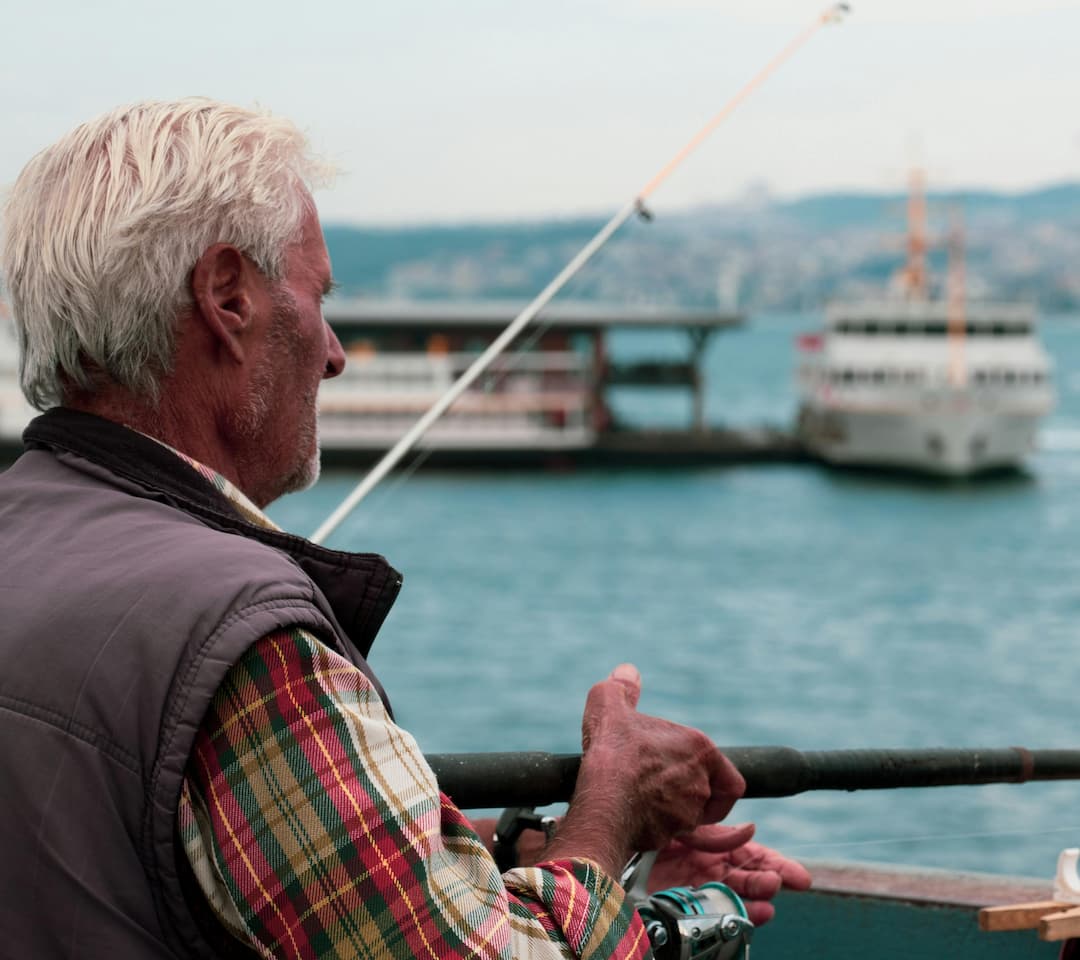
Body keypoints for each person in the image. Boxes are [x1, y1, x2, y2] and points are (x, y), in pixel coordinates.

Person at [0, 98, 809, 959]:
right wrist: (611, 811)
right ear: (228, 298)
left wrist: (513, 854)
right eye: (318, 299)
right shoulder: (237, 640)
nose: (335, 351)